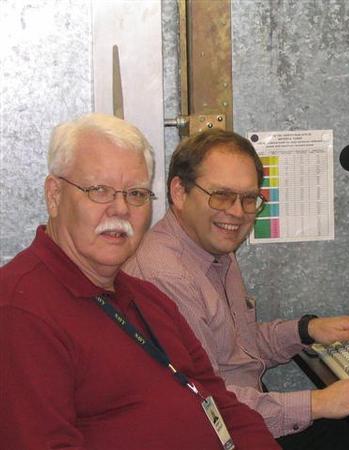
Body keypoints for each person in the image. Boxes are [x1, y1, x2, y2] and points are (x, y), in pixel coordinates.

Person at [0, 114, 279, 450]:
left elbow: (225, 407)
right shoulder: (20, 310)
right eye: (99, 190)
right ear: (54, 195)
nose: (121, 209)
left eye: (136, 194)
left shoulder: (147, 298)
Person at [123, 129, 349, 449]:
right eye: (221, 195)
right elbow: (205, 405)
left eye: (248, 199)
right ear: (180, 192)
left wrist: (306, 330)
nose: (237, 212)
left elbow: (238, 346)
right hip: (221, 433)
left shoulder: (213, 245)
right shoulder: (166, 278)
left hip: (243, 417)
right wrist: (319, 402)